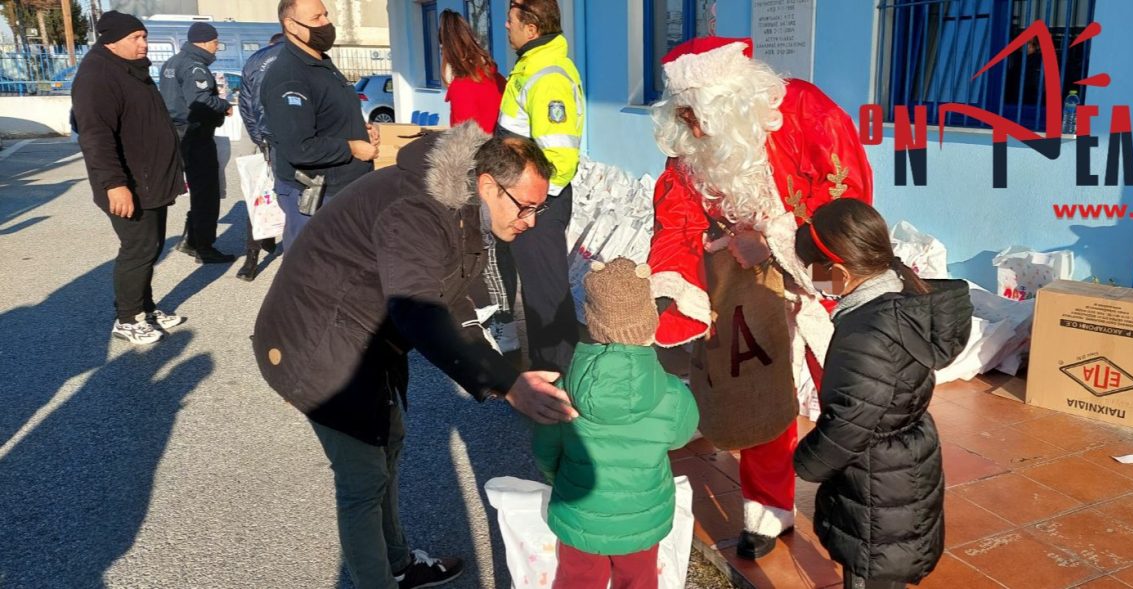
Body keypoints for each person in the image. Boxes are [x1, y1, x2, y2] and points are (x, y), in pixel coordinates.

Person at [253, 123, 579, 589]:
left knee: (390, 440)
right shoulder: (419, 211)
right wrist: (507, 385)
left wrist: (503, 372)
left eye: (539, 208)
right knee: (362, 479)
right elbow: (419, 312)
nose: (531, 221)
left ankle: (399, 564)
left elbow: (452, 298)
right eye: (526, 207)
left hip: (361, 331)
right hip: (316, 340)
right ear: (489, 185)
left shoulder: (465, 203)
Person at [647, 37, 873, 559]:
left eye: (699, 117)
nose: (695, 131)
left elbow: (850, 201)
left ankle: (866, 509)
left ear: (731, 101)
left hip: (827, 277)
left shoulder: (806, 114)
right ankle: (769, 511)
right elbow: (676, 218)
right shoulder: (692, 143)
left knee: (852, 396)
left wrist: (773, 238)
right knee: (760, 392)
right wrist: (675, 291)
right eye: (685, 117)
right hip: (749, 286)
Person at [792, 199, 972, 589]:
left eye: (813, 270)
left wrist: (805, 461)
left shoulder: (866, 334)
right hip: (903, 461)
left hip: (876, 481)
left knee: (871, 573)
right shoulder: (900, 293)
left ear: (838, 270)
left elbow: (848, 424)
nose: (811, 278)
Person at [533, 258, 699, 589]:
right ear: (649, 322)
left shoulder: (564, 390)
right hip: (642, 517)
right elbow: (680, 438)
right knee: (638, 580)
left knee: (577, 581)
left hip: (579, 514)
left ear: (593, 323)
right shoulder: (672, 394)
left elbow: (545, 452)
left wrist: (561, 478)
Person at [72, 11, 186, 345]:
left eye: (144, 36)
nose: (144, 44)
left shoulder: (132, 70)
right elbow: (95, 136)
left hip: (150, 179)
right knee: (138, 249)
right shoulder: (98, 75)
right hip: (130, 182)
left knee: (151, 248)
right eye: (135, 38)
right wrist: (115, 185)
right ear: (111, 40)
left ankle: (145, 308)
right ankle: (127, 318)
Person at [498, 0, 585, 372]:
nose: (505, 26)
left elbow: (559, 158)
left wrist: (528, 206)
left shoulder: (546, 75)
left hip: (536, 206)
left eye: (511, 19)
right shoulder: (530, 67)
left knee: (546, 297)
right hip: (526, 201)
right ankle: (547, 373)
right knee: (537, 293)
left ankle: (559, 382)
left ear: (531, 29)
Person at [263, 0, 380, 251]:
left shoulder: (321, 63)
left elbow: (328, 114)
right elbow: (300, 147)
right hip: (317, 195)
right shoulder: (289, 76)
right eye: (316, 18)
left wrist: (361, 130)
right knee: (313, 275)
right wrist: (352, 147)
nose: (326, 23)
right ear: (291, 25)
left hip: (345, 190)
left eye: (326, 15)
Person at [438, 9, 518, 352]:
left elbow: (461, 138)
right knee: (502, 248)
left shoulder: (461, 85)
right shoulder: (492, 74)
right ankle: (505, 319)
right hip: (504, 168)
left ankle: (505, 325)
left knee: (486, 250)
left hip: (480, 173)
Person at [161, 22, 238, 263]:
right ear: (204, 41)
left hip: (177, 132)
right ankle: (204, 246)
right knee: (206, 191)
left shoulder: (171, 63)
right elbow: (201, 100)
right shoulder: (196, 67)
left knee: (197, 188)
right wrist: (224, 106)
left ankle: (191, 239)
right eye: (216, 42)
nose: (217, 47)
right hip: (196, 134)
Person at [235, 32, 285, 281]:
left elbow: (246, 106)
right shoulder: (305, 56)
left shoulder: (256, 61)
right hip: (298, 143)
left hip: (269, 142)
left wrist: (260, 141)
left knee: (262, 198)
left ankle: (251, 261)